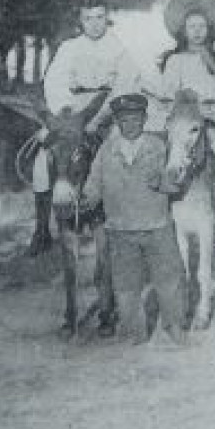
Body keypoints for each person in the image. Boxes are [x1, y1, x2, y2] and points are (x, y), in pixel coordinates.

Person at [28, 0, 137, 254]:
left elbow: (126, 83)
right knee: (44, 158)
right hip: (72, 109)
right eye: (89, 18)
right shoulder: (69, 47)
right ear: (80, 20)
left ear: (107, 17)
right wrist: (66, 113)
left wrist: (102, 116)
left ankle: (126, 223)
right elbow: (54, 82)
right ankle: (42, 228)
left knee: (125, 155)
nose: (95, 24)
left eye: (100, 17)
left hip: (107, 109)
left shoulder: (119, 49)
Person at [81, 94, 188, 346]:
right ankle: (133, 332)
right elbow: (93, 185)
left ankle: (174, 329)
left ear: (145, 119)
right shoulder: (107, 151)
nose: (132, 125)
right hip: (120, 229)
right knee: (126, 285)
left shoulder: (159, 146)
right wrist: (85, 199)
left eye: (137, 119)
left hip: (157, 226)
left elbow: (177, 184)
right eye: (125, 120)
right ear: (117, 122)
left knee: (169, 280)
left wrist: (162, 182)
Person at [145, 0, 215, 233]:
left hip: (209, 112)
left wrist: (213, 75)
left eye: (202, 26)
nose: (197, 31)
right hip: (183, 113)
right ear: (183, 30)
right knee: (166, 142)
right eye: (192, 26)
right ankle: (161, 193)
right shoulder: (175, 60)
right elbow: (168, 89)